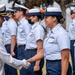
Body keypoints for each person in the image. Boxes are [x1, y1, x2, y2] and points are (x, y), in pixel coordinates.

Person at [27, 7, 72, 75]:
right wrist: (29, 60)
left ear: (54, 18)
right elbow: (43, 52)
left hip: (58, 66)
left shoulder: (61, 33)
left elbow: (65, 58)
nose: (45, 20)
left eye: (47, 17)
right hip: (50, 64)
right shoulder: (50, 33)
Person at [24, 8, 45, 75]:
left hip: (34, 54)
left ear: (35, 17)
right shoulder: (32, 28)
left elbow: (40, 47)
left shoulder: (38, 28)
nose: (28, 18)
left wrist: (37, 64)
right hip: (29, 53)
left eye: (30, 16)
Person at [14, 3, 31, 75]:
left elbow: (28, 36)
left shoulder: (25, 23)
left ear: (21, 12)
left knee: (24, 69)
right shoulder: (20, 23)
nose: (15, 13)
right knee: (21, 69)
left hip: (24, 47)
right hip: (20, 47)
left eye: (16, 12)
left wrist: (26, 48)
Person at [2, 8, 18, 75]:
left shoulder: (12, 23)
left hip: (10, 46)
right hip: (5, 46)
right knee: (6, 68)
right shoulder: (6, 23)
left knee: (11, 68)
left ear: (10, 14)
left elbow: (13, 37)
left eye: (7, 13)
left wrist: (12, 50)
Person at [69, 4, 75, 75]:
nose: (70, 15)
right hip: (71, 41)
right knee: (73, 58)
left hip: (74, 41)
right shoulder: (72, 22)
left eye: (72, 13)